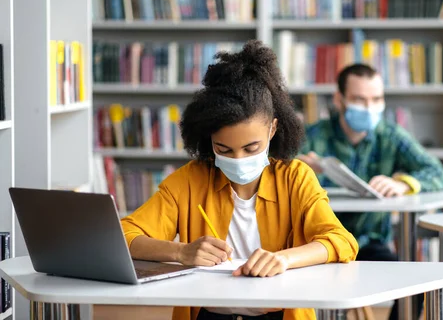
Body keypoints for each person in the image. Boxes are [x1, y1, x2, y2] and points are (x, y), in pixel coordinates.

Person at [120, 41, 359, 320]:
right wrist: (181, 252)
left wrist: (284, 259)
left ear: (272, 129)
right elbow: (125, 236)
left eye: (251, 148)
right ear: (209, 139)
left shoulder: (295, 177)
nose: (238, 159)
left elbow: (341, 241)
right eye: (223, 149)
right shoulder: (188, 180)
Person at [298, 63, 443, 320]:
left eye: (376, 99)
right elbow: (273, 175)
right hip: (319, 244)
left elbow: (439, 173)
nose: (369, 107)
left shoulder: (390, 135)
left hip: (369, 243)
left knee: (414, 287)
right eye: (359, 99)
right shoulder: (313, 136)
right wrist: (299, 170)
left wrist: (404, 183)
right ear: (339, 99)